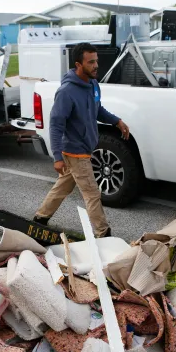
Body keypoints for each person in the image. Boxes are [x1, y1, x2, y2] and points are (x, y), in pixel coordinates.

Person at [33, 43, 130, 237]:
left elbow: (98, 109)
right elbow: (56, 125)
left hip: (85, 147)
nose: (96, 65)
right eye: (91, 62)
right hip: (75, 151)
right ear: (78, 64)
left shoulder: (93, 84)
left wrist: (117, 121)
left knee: (63, 186)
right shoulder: (66, 92)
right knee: (92, 194)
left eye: (97, 61)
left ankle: (40, 218)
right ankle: (103, 233)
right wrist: (57, 157)